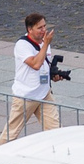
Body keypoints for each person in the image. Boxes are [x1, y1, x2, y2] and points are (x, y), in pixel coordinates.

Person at [5, 12, 58, 140]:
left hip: (44, 93)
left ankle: (56, 157)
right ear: (30, 29)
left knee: (56, 131)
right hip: (25, 96)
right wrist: (45, 44)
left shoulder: (44, 42)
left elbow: (44, 65)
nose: (44, 30)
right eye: (40, 28)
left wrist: (54, 75)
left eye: (44, 26)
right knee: (11, 134)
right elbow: (35, 64)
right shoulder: (22, 45)